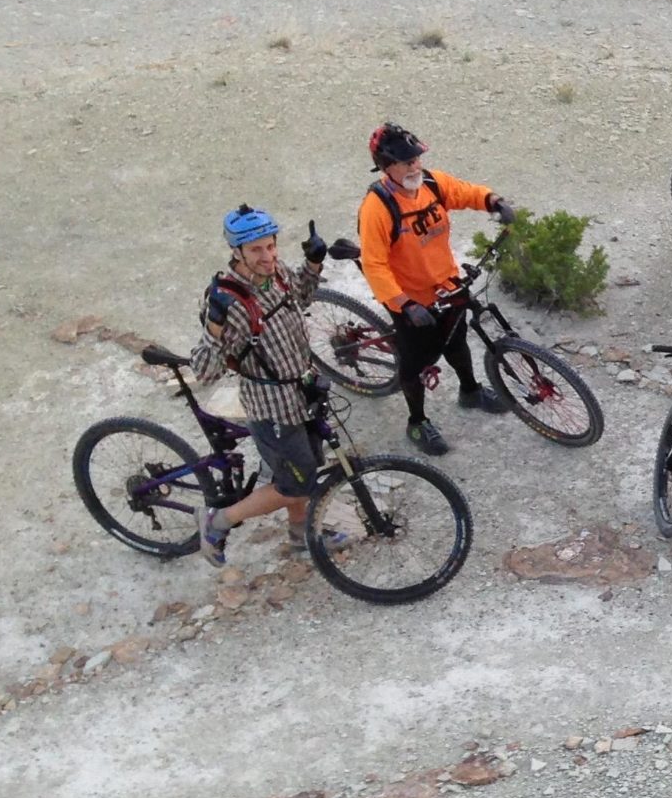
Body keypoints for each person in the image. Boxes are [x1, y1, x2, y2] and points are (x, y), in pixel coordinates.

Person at [188, 206, 345, 566]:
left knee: (305, 468)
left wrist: (313, 265)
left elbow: (301, 299)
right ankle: (218, 521)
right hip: (272, 406)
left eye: (271, 246)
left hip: (302, 392)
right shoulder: (227, 301)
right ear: (237, 251)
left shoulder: (277, 275)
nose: (268, 256)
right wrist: (214, 327)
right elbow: (204, 370)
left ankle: (301, 534)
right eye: (257, 250)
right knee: (296, 483)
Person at [357, 122, 519, 456]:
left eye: (416, 158)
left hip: (447, 282)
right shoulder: (377, 207)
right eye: (406, 162)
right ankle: (416, 422)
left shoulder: (431, 183)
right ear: (386, 167)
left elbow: (463, 191)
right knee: (414, 363)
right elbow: (374, 265)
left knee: (457, 341)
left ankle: (470, 391)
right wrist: (403, 304)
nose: (415, 165)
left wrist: (494, 201)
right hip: (410, 299)